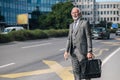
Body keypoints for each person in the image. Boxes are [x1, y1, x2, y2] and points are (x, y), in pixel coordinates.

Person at [64, 7, 94, 80]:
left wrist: (89, 51)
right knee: (76, 72)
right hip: (73, 53)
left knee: (85, 72)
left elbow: (88, 37)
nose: (74, 14)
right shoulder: (71, 25)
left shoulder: (84, 23)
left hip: (82, 52)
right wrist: (66, 51)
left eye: (76, 12)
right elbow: (69, 38)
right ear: (71, 14)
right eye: (73, 13)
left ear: (80, 14)